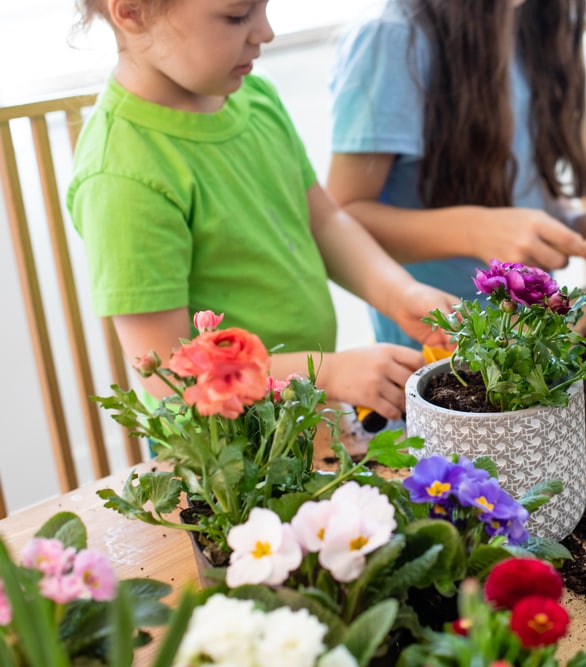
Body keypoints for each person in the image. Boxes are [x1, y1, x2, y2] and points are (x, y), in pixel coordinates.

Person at [66, 0, 457, 424]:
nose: (265, 32)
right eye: (238, 15)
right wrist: (330, 372)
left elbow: (324, 221)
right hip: (225, 448)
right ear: (132, 12)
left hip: (304, 416)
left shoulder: (253, 96)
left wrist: (400, 294)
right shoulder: (122, 176)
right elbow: (169, 371)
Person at [326, 0, 586, 349]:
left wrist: (569, 219)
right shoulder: (391, 35)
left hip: (529, 337)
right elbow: (340, 221)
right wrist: (474, 231)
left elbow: (516, 172)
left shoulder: (528, 15)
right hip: (438, 351)